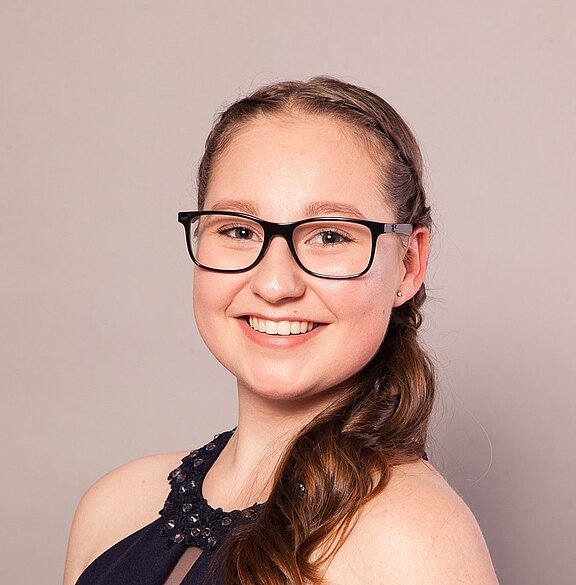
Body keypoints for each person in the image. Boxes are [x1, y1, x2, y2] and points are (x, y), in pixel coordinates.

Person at [63, 77, 499, 585]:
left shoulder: (414, 539)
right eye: (238, 230)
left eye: (330, 236)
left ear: (408, 265)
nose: (274, 284)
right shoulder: (112, 509)